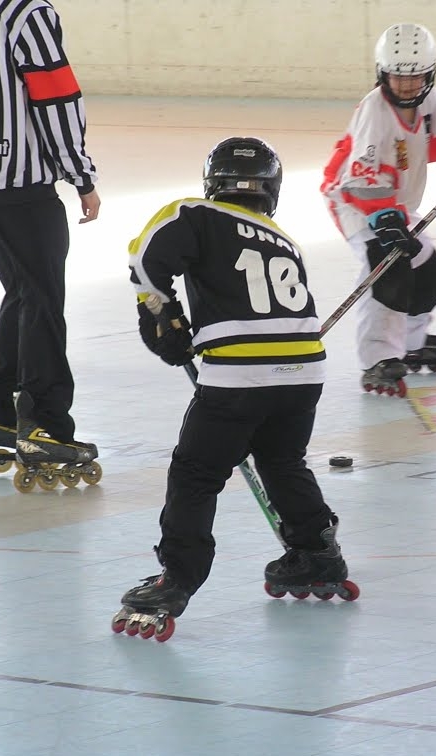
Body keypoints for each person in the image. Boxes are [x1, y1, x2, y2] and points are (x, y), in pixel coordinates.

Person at [115, 137, 354, 640]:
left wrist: (162, 316)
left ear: (213, 183)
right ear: (272, 190)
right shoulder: (285, 238)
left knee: (197, 473)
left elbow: (144, 258)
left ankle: (178, 577)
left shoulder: (194, 212)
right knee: (283, 461)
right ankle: (316, 551)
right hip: (304, 371)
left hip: (239, 375)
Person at [0, 0, 101, 488]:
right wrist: (81, 174)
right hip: (21, 178)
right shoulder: (28, 13)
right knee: (45, 297)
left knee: (24, 290)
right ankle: (45, 422)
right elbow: (56, 97)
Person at [321, 22, 436, 397]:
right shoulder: (374, 111)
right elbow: (361, 179)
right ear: (381, 74)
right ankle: (377, 358)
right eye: (397, 78)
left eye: (416, 78)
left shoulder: (429, 100)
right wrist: (385, 220)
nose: (406, 86)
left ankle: (412, 343)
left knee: (431, 274)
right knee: (388, 265)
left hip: (394, 202)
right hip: (353, 199)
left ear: (429, 75)